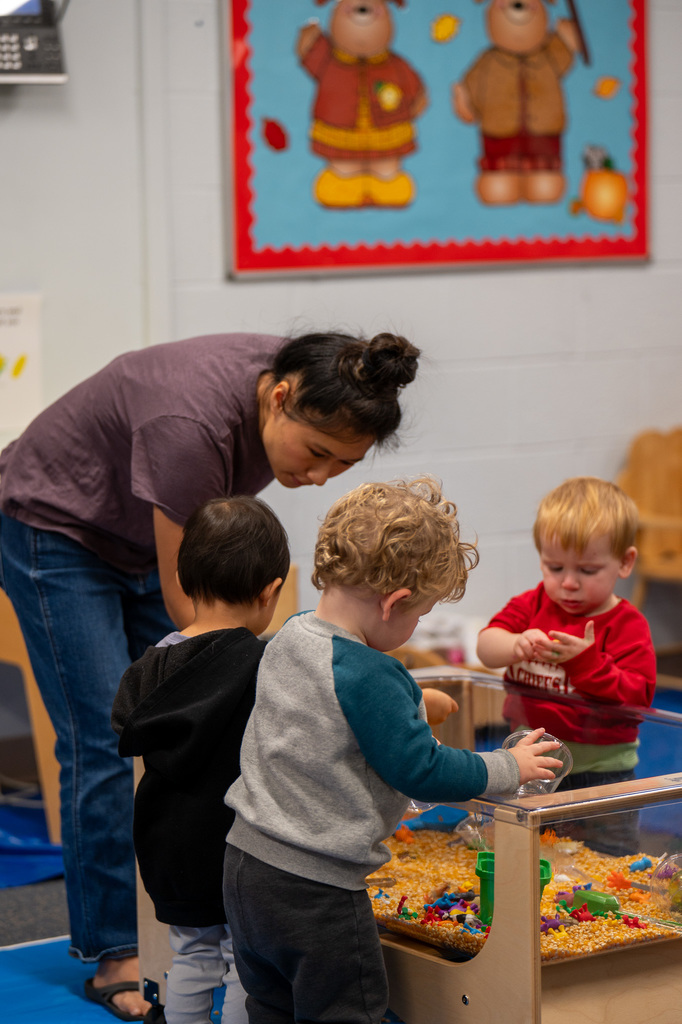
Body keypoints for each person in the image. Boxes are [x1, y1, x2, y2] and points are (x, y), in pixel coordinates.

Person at [0, 329, 419, 1021]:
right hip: (58, 524)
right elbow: (194, 607)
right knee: (105, 738)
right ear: (279, 398)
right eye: (316, 455)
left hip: (141, 529)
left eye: (341, 466)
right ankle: (113, 946)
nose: (318, 479)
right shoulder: (190, 425)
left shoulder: (317, 373)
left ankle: (205, 919)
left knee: (208, 719)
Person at [223, 477, 563, 1024]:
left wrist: (411, 701)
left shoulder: (290, 635)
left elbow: (326, 717)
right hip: (318, 889)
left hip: (246, 866)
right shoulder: (372, 673)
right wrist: (506, 767)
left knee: (273, 1005)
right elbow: (421, 769)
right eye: (420, 614)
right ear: (395, 602)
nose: (415, 626)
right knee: (346, 1010)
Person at [111, 495, 290, 1024]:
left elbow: (124, 722)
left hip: (167, 845)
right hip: (240, 845)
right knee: (244, 961)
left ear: (184, 583)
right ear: (270, 592)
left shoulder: (146, 669)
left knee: (190, 954)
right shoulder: (265, 664)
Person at [476, 476, 657, 853]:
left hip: (604, 773)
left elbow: (637, 697)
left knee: (607, 861)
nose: (569, 583)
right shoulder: (532, 605)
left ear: (625, 563)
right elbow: (486, 648)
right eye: (554, 567)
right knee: (529, 855)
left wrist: (586, 663)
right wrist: (516, 644)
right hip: (532, 765)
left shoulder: (627, 625)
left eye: (588, 571)